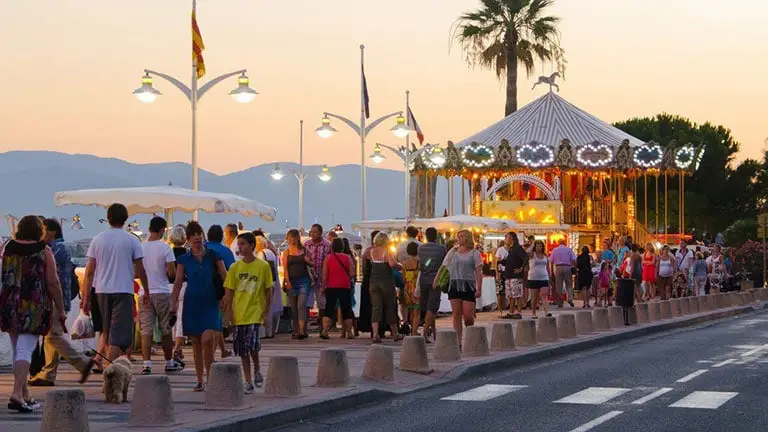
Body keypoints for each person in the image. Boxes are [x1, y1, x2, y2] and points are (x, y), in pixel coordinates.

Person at [0, 216, 67, 412]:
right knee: (25, 350)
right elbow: (53, 283)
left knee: (18, 350)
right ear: (39, 231)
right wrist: (61, 310)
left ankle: (25, 393)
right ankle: (16, 393)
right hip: (33, 305)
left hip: (9, 303)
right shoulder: (43, 251)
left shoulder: (6, 247)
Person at [28, 218, 95, 387]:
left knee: (53, 337)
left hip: (55, 299)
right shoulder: (58, 248)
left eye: (43, 231)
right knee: (51, 337)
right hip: (57, 298)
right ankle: (48, 374)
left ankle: (82, 363)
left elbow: (49, 277)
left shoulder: (55, 249)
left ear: (52, 232)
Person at [82, 203, 149, 364]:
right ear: (126, 219)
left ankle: (107, 367)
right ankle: (109, 373)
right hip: (123, 291)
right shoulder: (132, 241)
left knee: (106, 333)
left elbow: (89, 271)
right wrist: (147, 291)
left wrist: (85, 297)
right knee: (117, 337)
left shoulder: (98, 240)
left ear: (108, 218)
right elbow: (140, 270)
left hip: (101, 291)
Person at [171, 221, 227, 392]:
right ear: (188, 240)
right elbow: (178, 281)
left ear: (203, 237)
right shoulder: (183, 259)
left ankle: (210, 376)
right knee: (196, 343)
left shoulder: (213, 255)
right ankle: (200, 379)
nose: (197, 240)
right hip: (192, 303)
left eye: (199, 237)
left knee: (207, 339)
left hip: (210, 302)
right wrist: (173, 303)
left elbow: (225, 276)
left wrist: (227, 296)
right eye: (193, 237)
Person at [222, 232, 272, 393]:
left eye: (243, 244)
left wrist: (266, 313)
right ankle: (248, 380)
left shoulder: (262, 266)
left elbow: (268, 291)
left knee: (253, 345)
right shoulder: (235, 268)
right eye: (239, 244)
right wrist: (228, 313)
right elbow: (229, 291)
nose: (240, 247)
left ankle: (256, 367)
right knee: (242, 349)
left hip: (255, 312)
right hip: (239, 314)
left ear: (252, 246)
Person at [139, 217, 183, 375]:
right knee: (165, 328)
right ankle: (169, 362)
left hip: (144, 292)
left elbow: (137, 271)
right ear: (162, 230)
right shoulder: (165, 248)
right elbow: (171, 272)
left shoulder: (140, 247)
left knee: (146, 329)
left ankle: (146, 364)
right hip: (162, 291)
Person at [446, 230, 483, 344]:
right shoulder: (453, 251)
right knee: (456, 314)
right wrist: (437, 280)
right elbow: (444, 266)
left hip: (468, 285)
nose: (459, 238)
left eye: (461, 236)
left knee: (467, 316)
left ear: (467, 238)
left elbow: (478, 272)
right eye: (458, 236)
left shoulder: (474, 253)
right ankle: (458, 342)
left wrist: (479, 288)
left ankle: (470, 330)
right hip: (454, 284)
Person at [206, 225, 234, 359]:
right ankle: (210, 356)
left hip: (203, 289)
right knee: (218, 323)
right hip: (221, 290)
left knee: (212, 321)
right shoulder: (226, 251)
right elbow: (231, 273)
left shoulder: (202, 248)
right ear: (222, 236)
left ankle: (222, 351)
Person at [369, 232, 402, 343]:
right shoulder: (386, 251)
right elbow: (392, 264)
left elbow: (364, 257)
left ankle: (375, 334)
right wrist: (400, 265)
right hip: (386, 282)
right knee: (390, 307)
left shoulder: (372, 251)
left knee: (376, 308)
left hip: (373, 283)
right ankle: (395, 333)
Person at [320, 238, 355, 339]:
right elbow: (352, 274)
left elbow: (324, 275)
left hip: (331, 286)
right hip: (345, 286)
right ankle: (350, 332)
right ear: (342, 247)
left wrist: (323, 287)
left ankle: (325, 331)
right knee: (346, 309)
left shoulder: (328, 258)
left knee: (328, 309)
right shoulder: (347, 258)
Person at [281, 229, 312, 340]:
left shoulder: (305, 250)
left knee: (301, 305)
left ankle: (302, 330)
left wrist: (308, 261)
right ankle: (296, 330)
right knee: (293, 308)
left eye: (293, 237)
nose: (291, 240)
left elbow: (313, 263)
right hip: (292, 281)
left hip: (304, 280)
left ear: (297, 238)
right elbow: (285, 269)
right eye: (289, 238)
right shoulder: (286, 253)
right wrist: (287, 281)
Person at [417, 228, 446, 342]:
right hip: (436, 280)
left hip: (423, 279)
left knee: (428, 307)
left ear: (425, 236)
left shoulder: (420, 248)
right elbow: (444, 262)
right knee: (432, 307)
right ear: (436, 236)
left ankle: (434, 332)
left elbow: (423, 263)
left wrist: (428, 264)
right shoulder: (441, 248)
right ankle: (424, 333)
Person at [304, 224, 332, 331]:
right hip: (309, 277)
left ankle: (323, 327)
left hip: (321, 277)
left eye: (315, 232)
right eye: (311, 232)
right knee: (307, 302)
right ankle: (304, 327)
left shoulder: (327, 245)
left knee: (322, 303)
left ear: (320, 232)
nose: (312, 234)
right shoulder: (306, 244)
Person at [255, 234, 282, 339]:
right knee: (269, 307)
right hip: (273, 281)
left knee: (263, 307)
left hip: (264, 282)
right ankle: (269, 331)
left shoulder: (261, 254)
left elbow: (260, 270)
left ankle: (262, 332)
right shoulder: (271, 253)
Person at [169, 225, 188, 365]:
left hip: (169, 286)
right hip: (184, 286)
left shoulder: (168, 252)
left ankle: (174, 347)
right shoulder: (188, 254)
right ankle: (178, 347)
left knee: (171, 318)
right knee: (181, 318)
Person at [503, 231, 527, 319]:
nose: (505, 239)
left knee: (517, 294)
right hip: (509, 275)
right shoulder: (511, 249)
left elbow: (525, 257)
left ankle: (519, 312)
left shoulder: (517, 248)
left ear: (511, 238)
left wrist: (521, 268)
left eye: (507, 237)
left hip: (515, 276)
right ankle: (511, 312)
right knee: (510, 295)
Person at [527, 240, 551, 318]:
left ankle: (546, 312)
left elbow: (547, 266)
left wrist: (549, 276)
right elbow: (527, 251)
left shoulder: (545, 255)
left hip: (544, 277)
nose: (539, 248)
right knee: (534, 297)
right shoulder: (532, 254)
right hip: (533, 278)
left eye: (540, 246)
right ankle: (533, 313)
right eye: (537, 246)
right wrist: (533, 243)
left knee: (544, 295)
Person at [550, 239, 576, 308]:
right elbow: (574, 259)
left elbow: (551, 261)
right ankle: (570, 298)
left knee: (559, 285)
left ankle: (560, 302)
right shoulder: (569, 249)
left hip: (558, 267)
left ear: (558, 243)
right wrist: (571, 265)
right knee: (569, 284)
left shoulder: (555, 250)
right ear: (564, 243)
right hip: (567, 267)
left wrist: (551, 271)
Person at [402, 242, 421, 335]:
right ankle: (414, 331)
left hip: (407, 289)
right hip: (417, 289)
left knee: (411, 311)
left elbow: (403, 277)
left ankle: (413, 329)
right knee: (417, 311)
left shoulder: (404, 264)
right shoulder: (419, 263)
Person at [494, 236, 511, 317]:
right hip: (502, 272)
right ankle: (500, 311)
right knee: (500, 292)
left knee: (510, 291)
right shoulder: (500, 250)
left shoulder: (512, 250)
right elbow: (496, 262)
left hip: (510, 272)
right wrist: (497, 274)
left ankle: (510, 309)